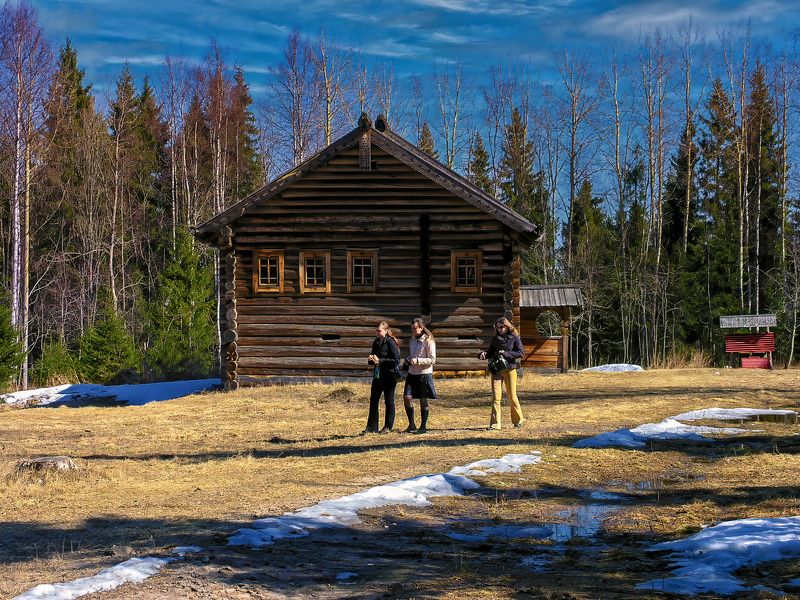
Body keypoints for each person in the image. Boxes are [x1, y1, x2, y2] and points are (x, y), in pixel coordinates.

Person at [479, 317, 525, 430]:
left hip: (510, 369)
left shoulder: (514, 338)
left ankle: (518, 421)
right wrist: (483, 354)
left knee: (512, 396)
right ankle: (495, 425)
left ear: (507, 326)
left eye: (501, 327)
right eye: (498, 327)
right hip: (497, 370)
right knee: (495, 398)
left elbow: (521, 353)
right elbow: (490, 353)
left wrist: (506, 354)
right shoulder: (495, 339)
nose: (499, 329)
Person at [364, 321, 401, 434]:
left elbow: (396, 361)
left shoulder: (390, 342)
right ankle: (371, 427)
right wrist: (371, 360)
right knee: (374, 400)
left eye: (379, 330)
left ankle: (388, 426)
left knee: (389, 401)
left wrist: (381, 361)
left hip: (389, 375)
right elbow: (374, 358)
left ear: (385, 330)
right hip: (377, 375)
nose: (377, 332)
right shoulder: (376, 342)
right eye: (376, 330)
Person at [402, 317, 437, 434]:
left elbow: (433, 360)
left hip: (424, 374)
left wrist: (418, 361)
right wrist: (408, 359)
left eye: (414, 328)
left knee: (423, 400)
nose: (412, 330)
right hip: (412, 373)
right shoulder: (412, 340)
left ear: (421, 328)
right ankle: (411, 424)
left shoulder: (429, 341)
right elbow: (412, 354)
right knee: (407, 397)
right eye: (411, 328)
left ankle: (423, 426)